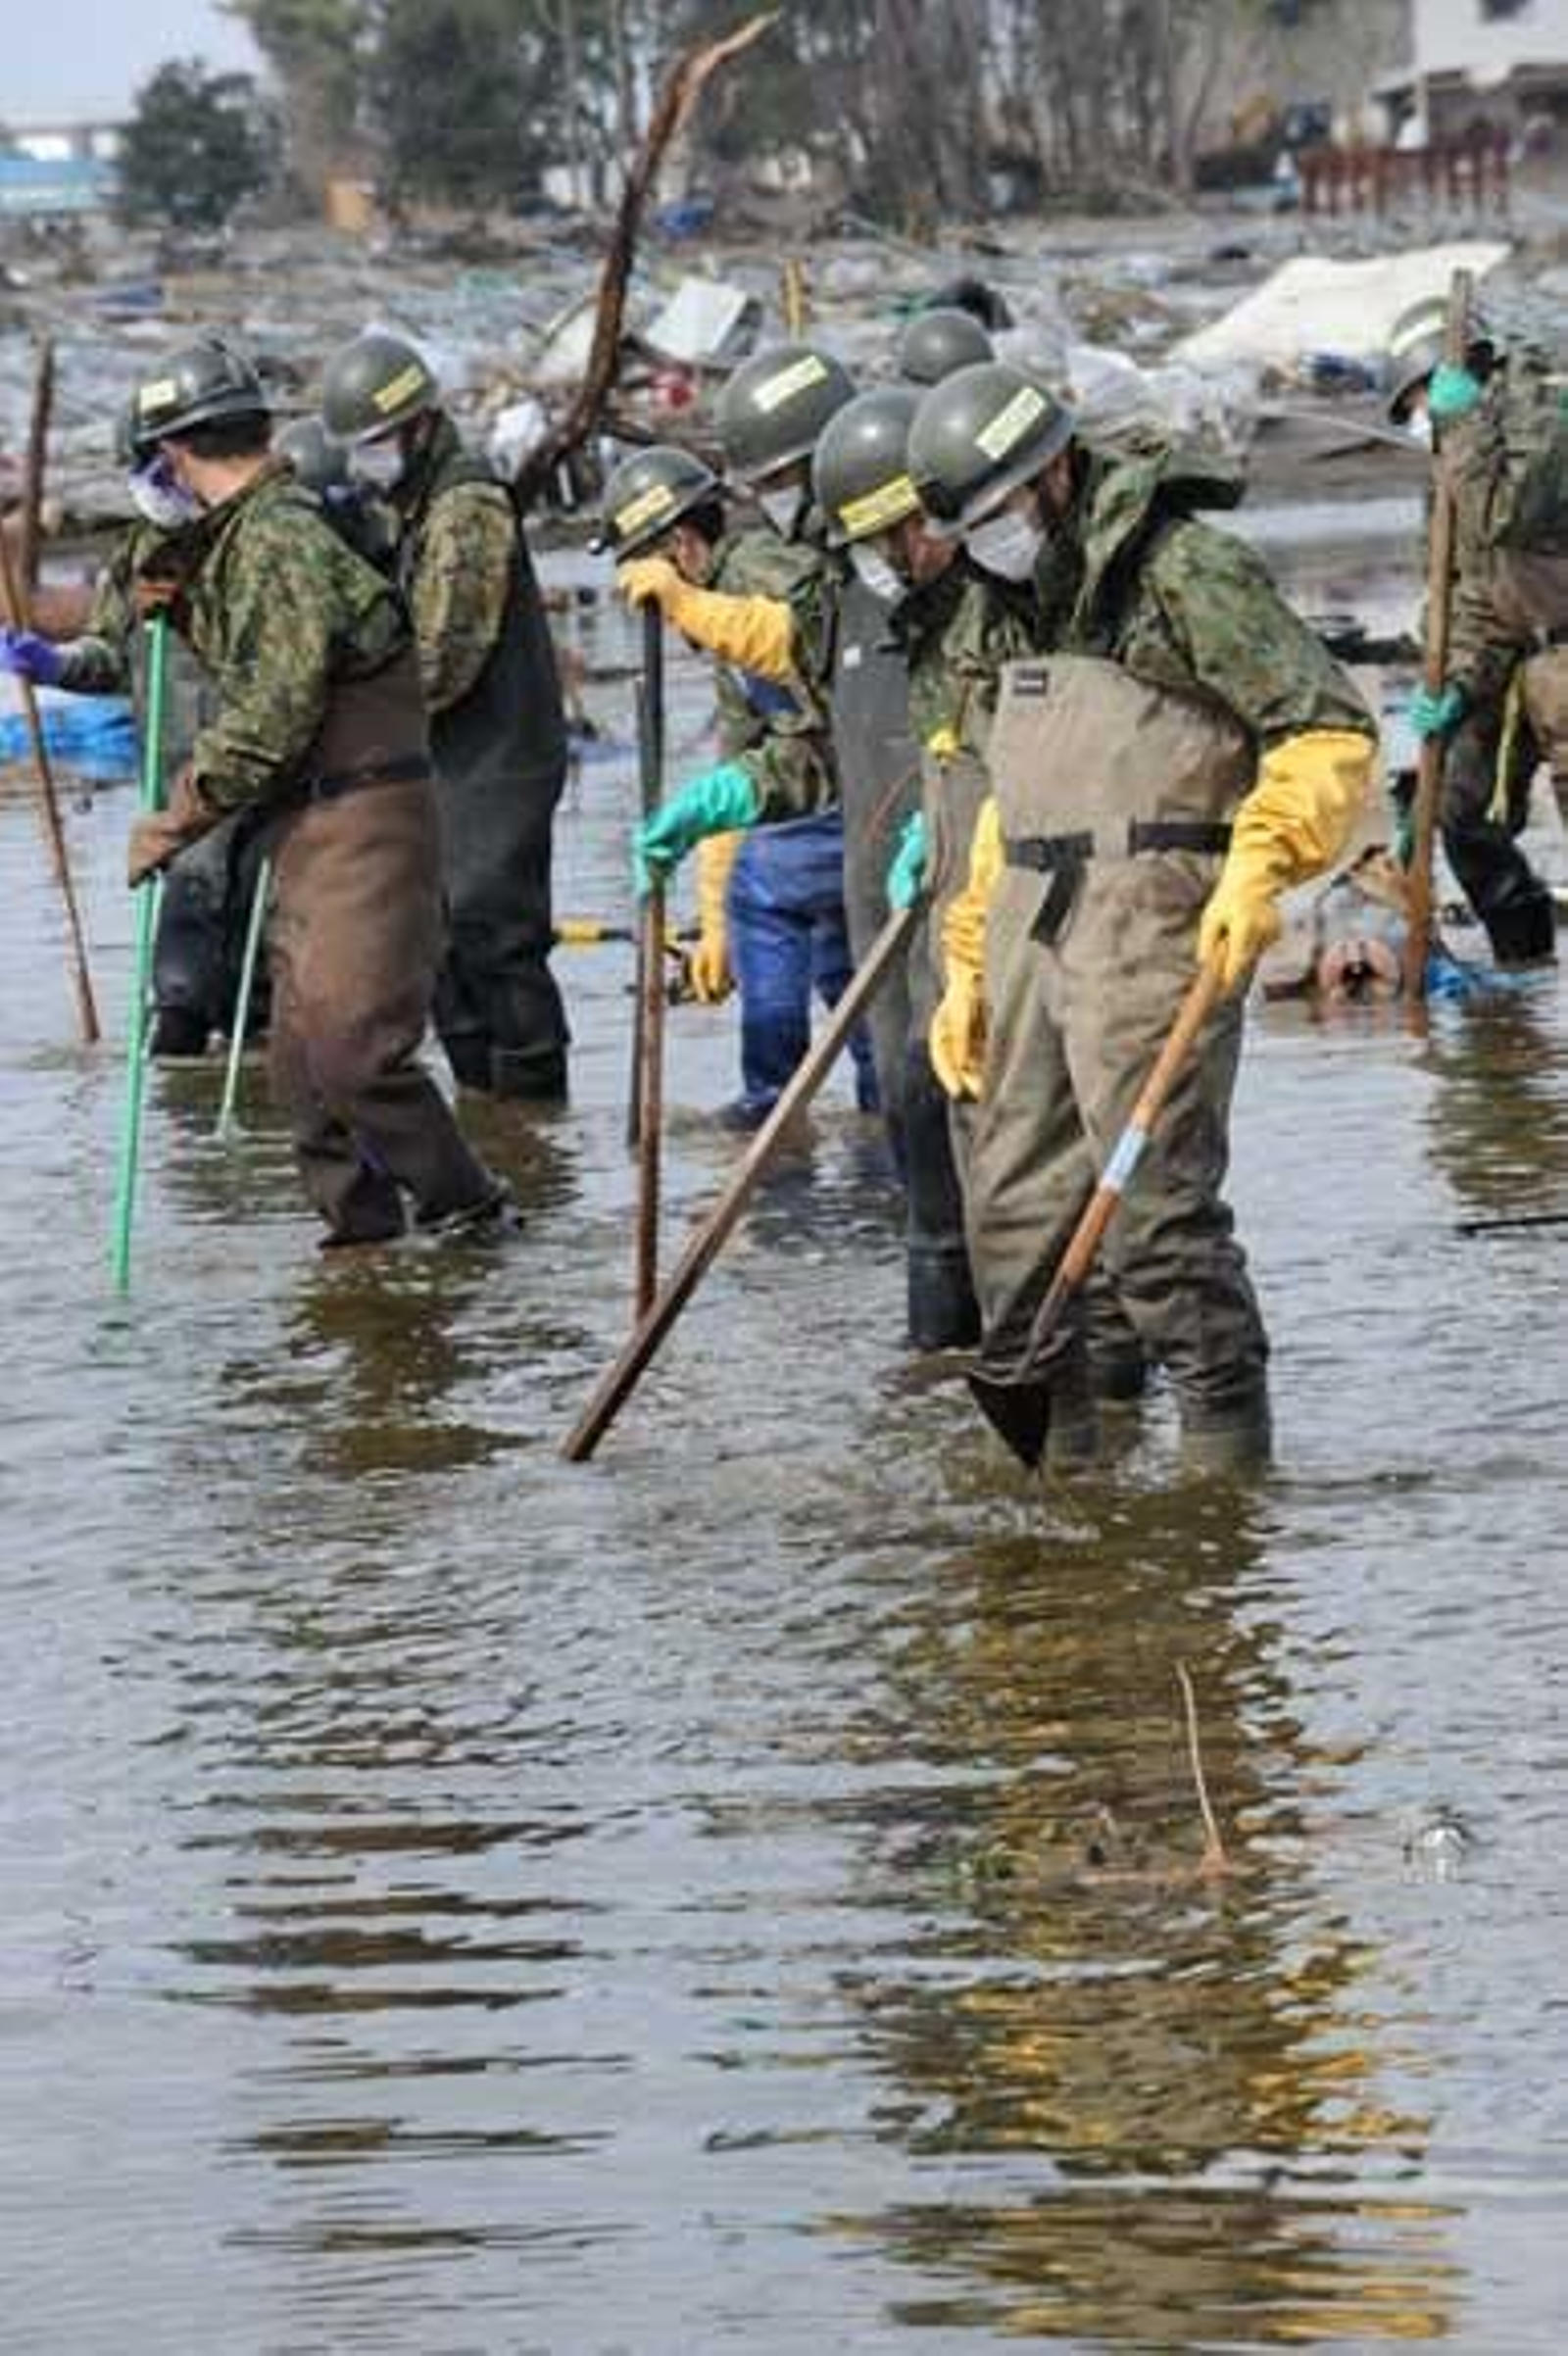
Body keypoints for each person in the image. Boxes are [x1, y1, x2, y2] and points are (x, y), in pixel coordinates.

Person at [907, 363, 1376, 1473]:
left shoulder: (1183, 569)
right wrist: (969, 953)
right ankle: (1072, 1486)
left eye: (995, 515)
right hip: (1031, 911)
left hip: (1159, 916)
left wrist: (1262, 862)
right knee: (1013, 1214)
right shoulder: (993, 601)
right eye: (964, 526)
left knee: (1158, 1220)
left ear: (1053, 473)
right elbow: (999, 791)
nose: (985, 542)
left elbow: (1325, 730)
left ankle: (1221, 1481)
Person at [108, 336, 503, 1247]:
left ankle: (469, 1209)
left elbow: (277, 708)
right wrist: (184, 604)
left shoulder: (279, 538)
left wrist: (178, 814)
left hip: (365, 812)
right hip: (307, 821)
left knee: (355, 1053)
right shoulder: (244, 539)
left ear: (171, 455)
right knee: (299, 1071)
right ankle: (362, 1248)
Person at [601, 415, 877, 1131]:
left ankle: (774, 1101)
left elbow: (819, 650)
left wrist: (693, 605)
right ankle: (868, 1110)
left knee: (771, 898)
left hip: (858, 787)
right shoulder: (714, 616)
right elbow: (742, 749)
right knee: (823, 943)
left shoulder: (755, 569)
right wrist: (709, 910)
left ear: (683, 546)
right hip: (813, 794)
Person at [320, 329, 571, 1101]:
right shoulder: (410, 505)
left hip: (497, 754)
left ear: (419, 426)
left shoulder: (465, 505)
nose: (366, 461)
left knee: (493, 933)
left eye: (376, 443)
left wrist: (343, 702)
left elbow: (442, 658)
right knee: (437, 949)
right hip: (441, 760)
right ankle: (486, 1116)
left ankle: (533, 1123)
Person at [1, 408, 270, 1058]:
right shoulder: (141, 550)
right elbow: (113, 653)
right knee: (179, 998)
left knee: (261, 988)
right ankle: (187, 1128)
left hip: (256, 775)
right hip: (176, 786)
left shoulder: (262, 541)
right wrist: (55, 663)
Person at [1386, 297, 1556, 965]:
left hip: (1559, 651)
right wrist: (1453, 684)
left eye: (1419, 399)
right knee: (1461, 814)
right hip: (1506, 650)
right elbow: (1468, 585)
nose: (1419, 418)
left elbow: (1507, 521)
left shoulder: (1537, 412)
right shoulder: (1453, 450)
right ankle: (1526, 969)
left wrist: (1462, 429)